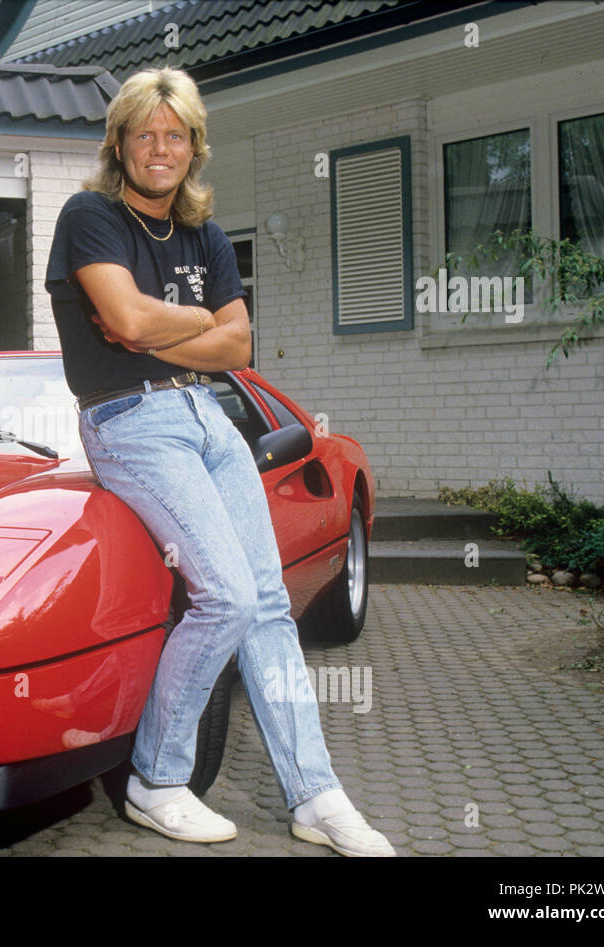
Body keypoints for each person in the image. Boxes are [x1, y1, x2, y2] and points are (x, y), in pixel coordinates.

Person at [45, 66, 395, 856]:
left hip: (210, 415)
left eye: (175, 135)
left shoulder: (203, 232)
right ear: (119, 144)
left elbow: (237, 346)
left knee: (268, 604)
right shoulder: (89, 217)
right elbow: (130, 324)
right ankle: (156, 779)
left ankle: (316, 794)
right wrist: (194, 320)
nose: (159, 148)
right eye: (144, 134)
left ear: (194, 147)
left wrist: (167, 325)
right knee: (228, 597)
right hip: (129, 419)